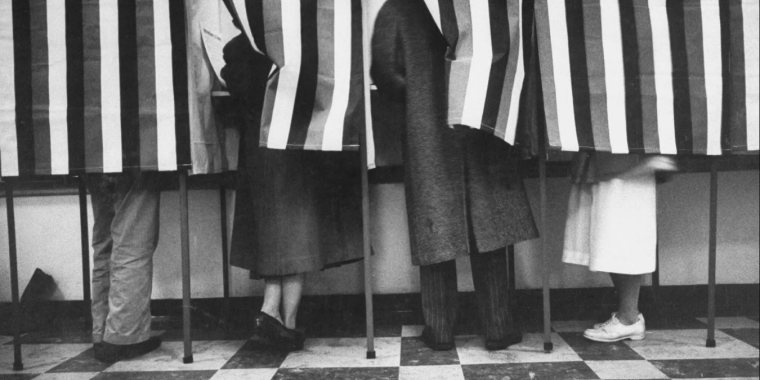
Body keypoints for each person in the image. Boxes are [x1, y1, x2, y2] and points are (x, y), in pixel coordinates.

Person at [371, 0, 539, 351]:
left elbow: (385, 70)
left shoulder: (399, 7)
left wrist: (416, 93)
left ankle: (440, 329)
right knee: (488, 223)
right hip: (479, 122)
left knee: (436, 226)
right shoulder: (483, 5)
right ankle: (497, 326)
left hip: (427, 127)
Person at [221, 34, 364, 351]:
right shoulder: (301, 35)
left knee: (279, 236)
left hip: (259, 149)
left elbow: (231, 68)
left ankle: (277, 319)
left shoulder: (249, 42)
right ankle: (278, 317)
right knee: (296, 233)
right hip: (293, 145)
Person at [562, 152, 677, 342]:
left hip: (628, 160)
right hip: (610, 159)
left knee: (622, 235)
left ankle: (629, 318)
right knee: (608, 238)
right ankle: (629, 313)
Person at [88, 172, 162, 362]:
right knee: (132, 243)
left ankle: (102, 332)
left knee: (105, 244)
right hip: (134, 154)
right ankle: (123, 338)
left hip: (94, 155)